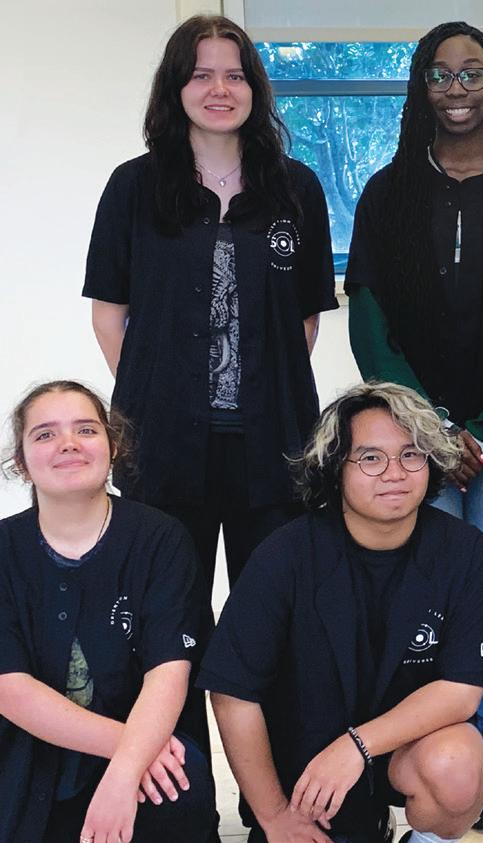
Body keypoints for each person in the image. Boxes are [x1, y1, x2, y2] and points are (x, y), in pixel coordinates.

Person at [343, 22, 483, 825]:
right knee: (421, 576)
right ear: (421, 87)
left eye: (474, 73)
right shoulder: (387, 193)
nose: (458, 88)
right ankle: (412, 747)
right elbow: (368, 321)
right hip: (411, 437)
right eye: (441, 74)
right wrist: (429, 430)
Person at [83, 13, 338, 602]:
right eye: (201, 75)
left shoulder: (296, 188)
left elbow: (304, 319)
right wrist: (158, 392)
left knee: (271, 608)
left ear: (255, 88)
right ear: (175, 87)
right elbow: (108, 314)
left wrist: (257, 389)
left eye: (235, 76)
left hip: (273, 442)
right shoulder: (133, 187)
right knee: (170, 607)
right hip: (164, 444)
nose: (220, 90)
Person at [198, 381, 483, 843]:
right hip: (307, 770)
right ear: (335, 467)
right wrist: (274, 816)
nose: (394, 473)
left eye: (411, 454)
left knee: (457, 768)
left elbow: (462, 691)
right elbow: (231, 692)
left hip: (402, 749)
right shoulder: (284, 556)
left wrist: (357, 746)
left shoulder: (465, 552)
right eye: (371, 458)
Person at [0, 380, 214, 843]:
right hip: (29, 753)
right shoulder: (4, 550)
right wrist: (131, 752)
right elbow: (10, 689)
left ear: (113, 446)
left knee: (181, 777)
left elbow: (169, 672)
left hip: (149, 747)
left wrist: (123, 772)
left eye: (86, 429)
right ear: (20, 462)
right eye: (45, 434)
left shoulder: (161, 538)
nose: (68, 443)